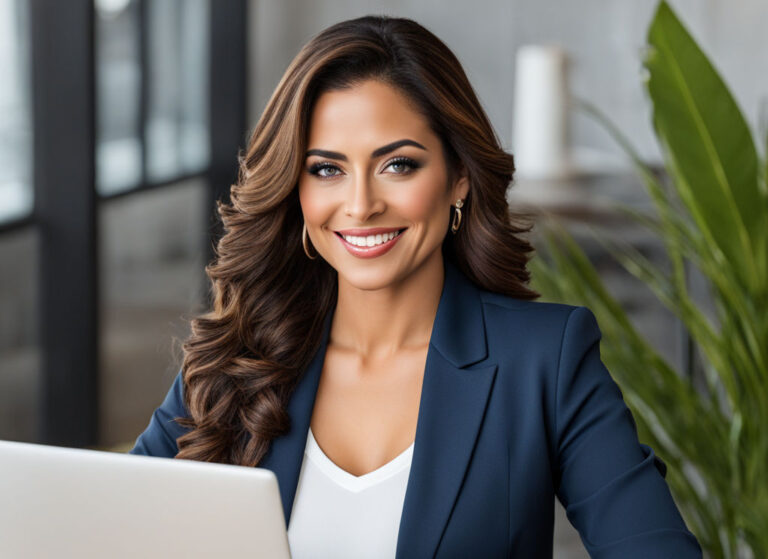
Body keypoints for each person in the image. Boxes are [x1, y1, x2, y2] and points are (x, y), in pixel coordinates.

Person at [129, 14, 703, 558]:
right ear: (294, 190)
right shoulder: (236, 361)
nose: (360, 205)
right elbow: (110, 529)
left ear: (458, 178)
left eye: (397, 164)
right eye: (327, 169)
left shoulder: (543, 362)